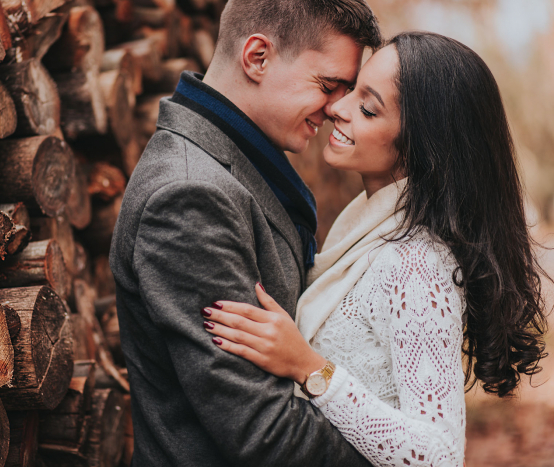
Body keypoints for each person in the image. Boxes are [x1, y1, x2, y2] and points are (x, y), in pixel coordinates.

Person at [202, 32, 549, 467]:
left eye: (367, 108)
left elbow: (438, 456)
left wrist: (310, 368)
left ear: (422, 146)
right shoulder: (364, 230)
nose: (336, 109)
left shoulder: (414, 262)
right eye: (349, 93)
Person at [109, 0, 383, 465]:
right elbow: (263, 432)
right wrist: (396, 453)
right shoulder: (189, 196)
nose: (338, 108)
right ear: (257, 57)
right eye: (328, 85)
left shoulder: (239, 167)